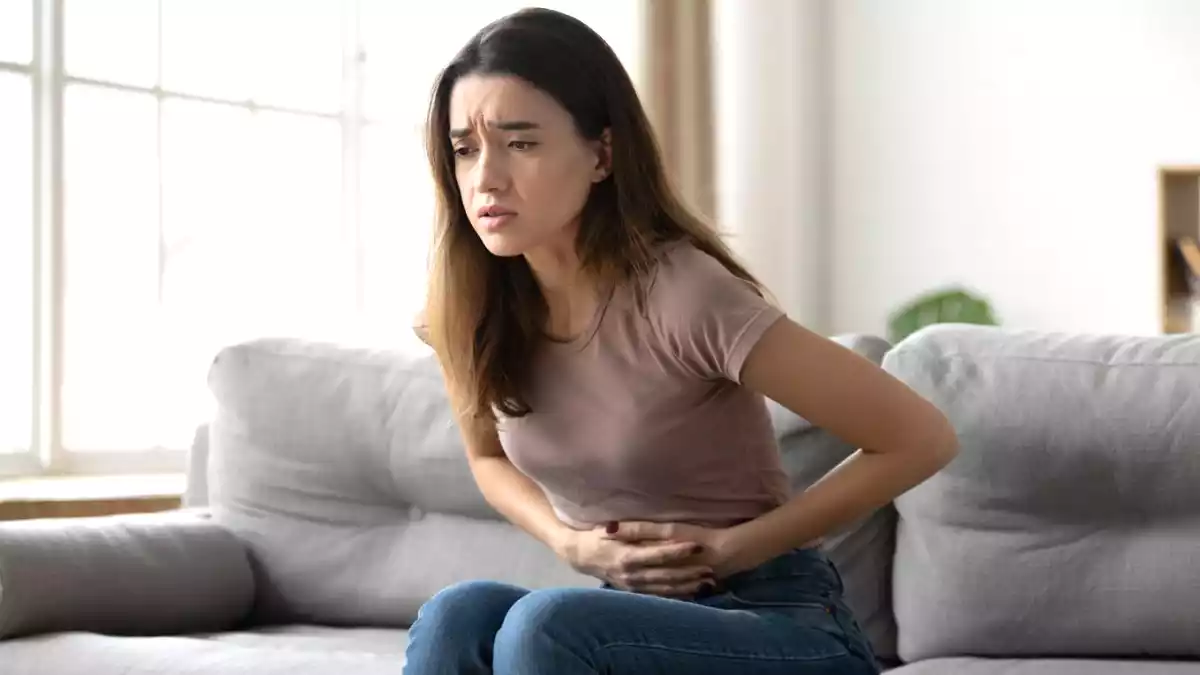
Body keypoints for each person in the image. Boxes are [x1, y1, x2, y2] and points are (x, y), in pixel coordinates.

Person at [405, 7, 958, 675]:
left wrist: (735, 548)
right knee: (458, 615)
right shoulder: (468, 308)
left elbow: (921, 437)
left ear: (602, 155)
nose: (486, 177)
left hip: (780, 622)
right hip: (631, 618)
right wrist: (569, 542)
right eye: (465, 149)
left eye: (520, 144)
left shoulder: (683, 295)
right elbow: (488, 458)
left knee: (547, 625)